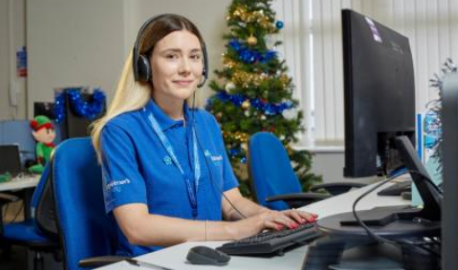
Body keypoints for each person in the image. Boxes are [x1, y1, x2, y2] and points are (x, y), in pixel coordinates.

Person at [91, 13, 317, 257]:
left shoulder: (206, 123)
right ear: (144, 66)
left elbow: (233, 203)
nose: (187, 68)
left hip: (207, 256)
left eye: (195, 57)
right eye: (171, 56)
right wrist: (234, 232)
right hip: (152, 261)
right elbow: (137, 227)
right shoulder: (120, 131)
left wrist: (269, 217)